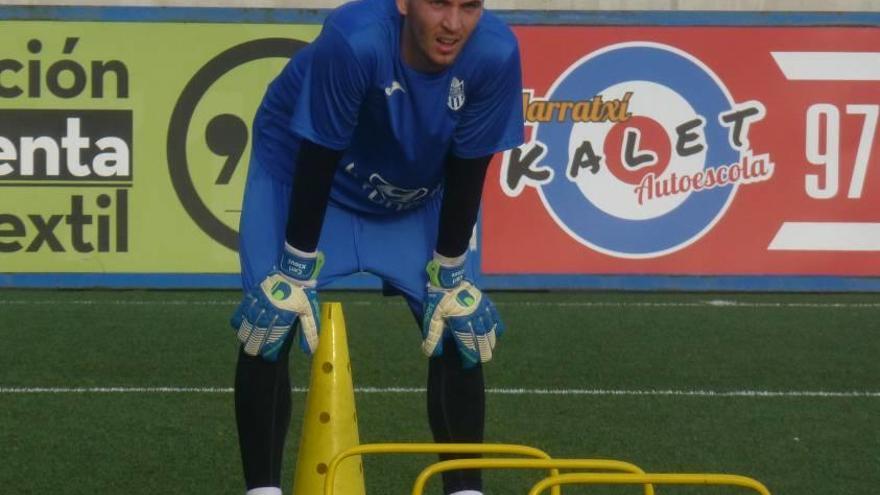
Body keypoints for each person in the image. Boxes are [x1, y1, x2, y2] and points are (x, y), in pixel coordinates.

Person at [229, 0, 523, 493]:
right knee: (270, 316)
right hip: (302, 168)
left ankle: (466, 489)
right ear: (404, 3)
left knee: (459, 324)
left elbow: (471, 166)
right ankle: (262, 488)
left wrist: (449, 274)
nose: (453, 24)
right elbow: (318, 152)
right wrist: (295, 268)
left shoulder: (495, 52)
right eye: (439, 4)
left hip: (415, 191)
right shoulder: (354, 38)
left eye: (469, 6)